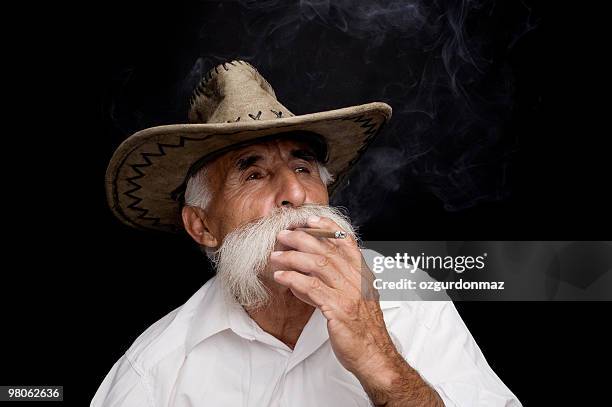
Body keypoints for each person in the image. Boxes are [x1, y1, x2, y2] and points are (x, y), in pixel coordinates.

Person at [93, 60, 521, 406]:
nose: (296, 193)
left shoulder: (410, 300)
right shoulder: (155, 372)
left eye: (302, 168)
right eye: (255, 174)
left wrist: (382, 364)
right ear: (202, 226)